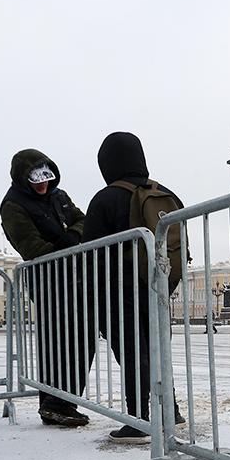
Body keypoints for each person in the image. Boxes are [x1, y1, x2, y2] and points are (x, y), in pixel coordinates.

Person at [82, 132, 187, 443]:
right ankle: (171, 410)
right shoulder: (166, 193)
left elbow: (90, 251)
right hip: (158, 287)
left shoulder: (106, 198)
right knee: (159, 351)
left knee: (131, 352)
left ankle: (138, 419)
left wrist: (93, 294)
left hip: (119, 288)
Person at [0, 148, 90, 427]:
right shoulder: (12, 205)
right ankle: (52, 404)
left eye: (46, 179)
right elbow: (30, 246)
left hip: (75, 277)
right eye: (36, 181)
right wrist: (64, 246)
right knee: (56, 343)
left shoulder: (59, 196)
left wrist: (71, 237)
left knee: (82, 341)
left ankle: (67, 402)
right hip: (47, 281)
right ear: (23, 178)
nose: (42, 186)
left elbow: (83, 220)